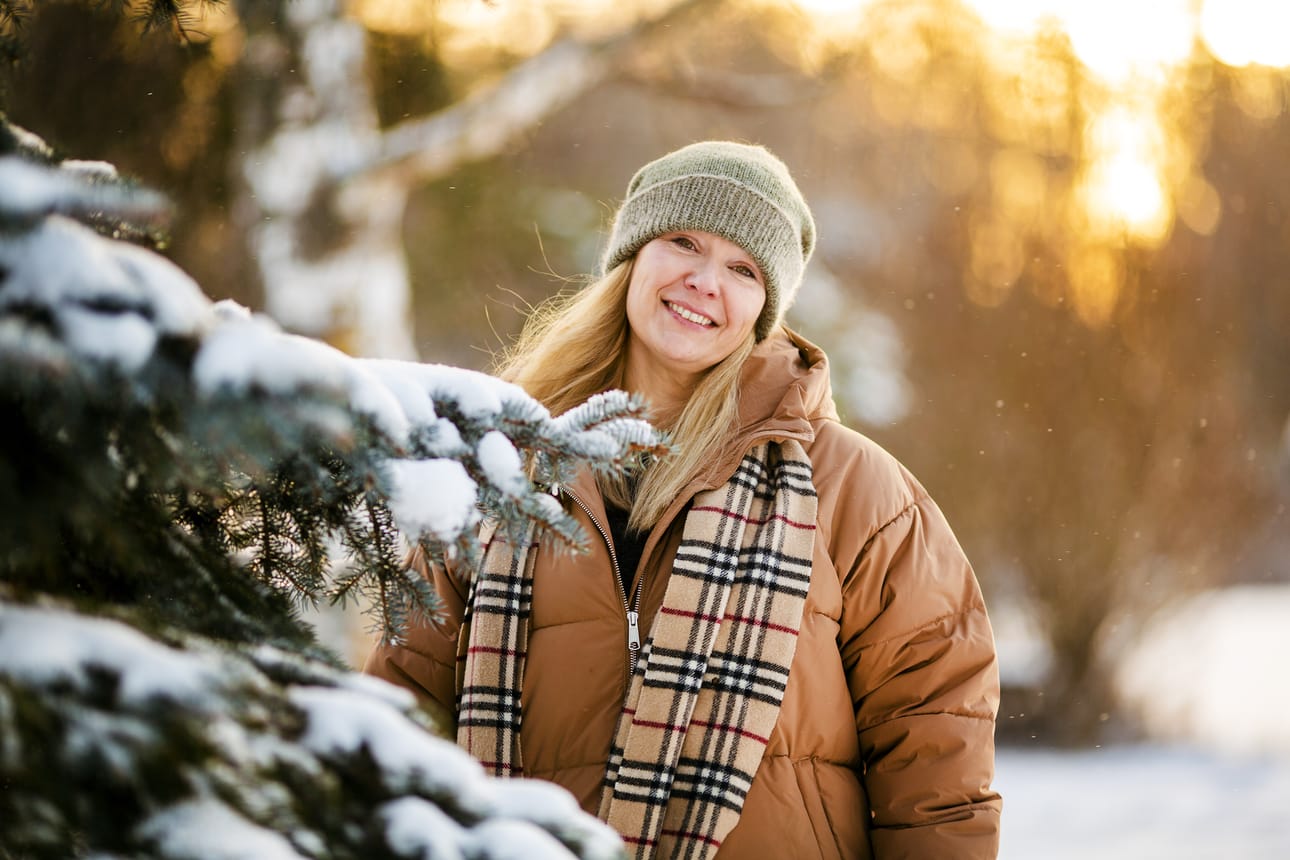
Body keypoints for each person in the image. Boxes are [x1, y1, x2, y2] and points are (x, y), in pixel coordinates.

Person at [365, 141, 1002, 859]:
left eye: (743, 269)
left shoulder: (857, 489)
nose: (704, 282)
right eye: (684, 243)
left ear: (764, 307)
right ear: (632, 257)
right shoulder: (503, 464)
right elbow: (402, 716)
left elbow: (936, 753)